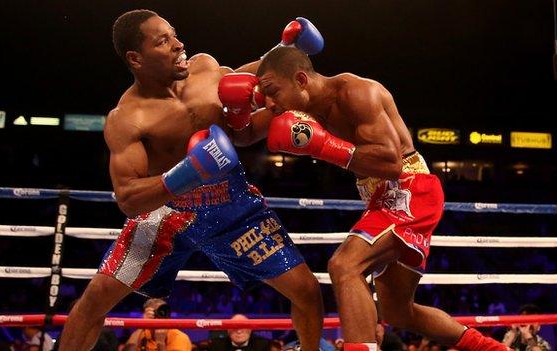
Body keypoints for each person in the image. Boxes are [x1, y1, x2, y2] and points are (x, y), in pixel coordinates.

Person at [59, 10, 325, 351]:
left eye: (174, 34)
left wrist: (287, 49)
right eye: (163, 41)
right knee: (94, 301)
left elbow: (244, 80)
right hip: (167, 212)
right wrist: (189, 171)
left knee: (306, 291)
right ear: (135, 58)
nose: (178, 44)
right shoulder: (127, 118)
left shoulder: (203, 67)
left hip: (232, 204)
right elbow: (127, 197)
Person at [217, 46, 511, 351]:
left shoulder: (356, 93)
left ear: (301, 79)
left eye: (273, 92)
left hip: (408, 187)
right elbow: (244, 135)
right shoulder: (295, 107)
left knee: (345, 265)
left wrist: (322, 146)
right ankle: (495, 349)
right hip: (379, 197)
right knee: (398, 312)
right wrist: (237, 110)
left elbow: (391, 162)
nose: (270, 103)